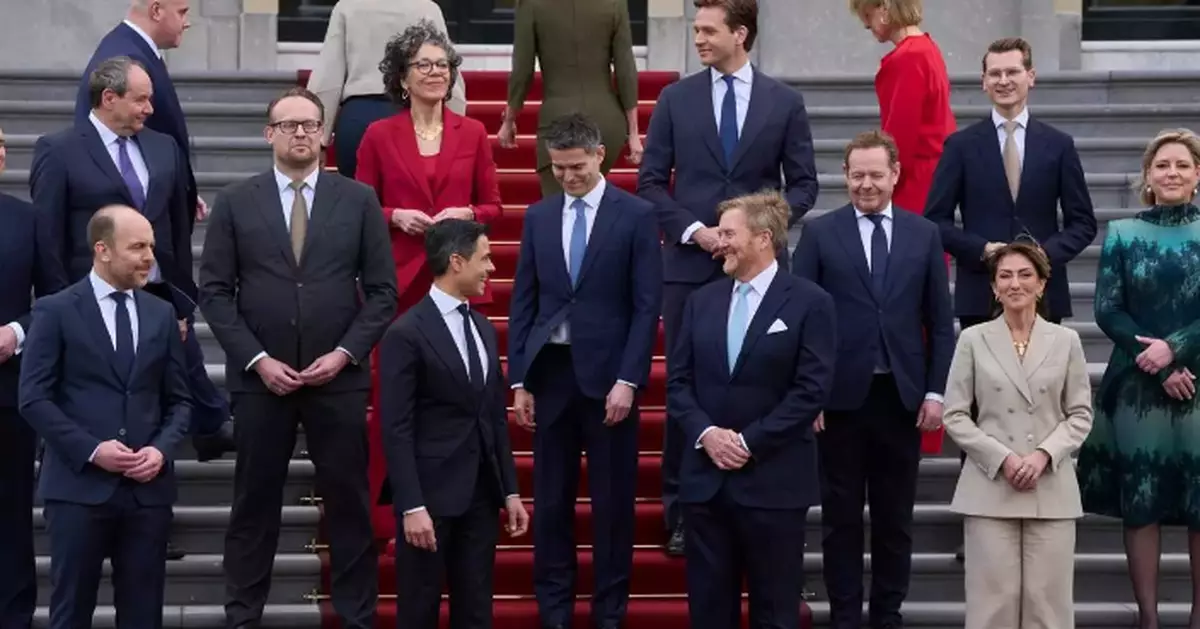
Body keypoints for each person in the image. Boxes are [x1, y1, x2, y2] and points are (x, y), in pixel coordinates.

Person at [198, 86, 398, 629]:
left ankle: (357, 616)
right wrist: (257, 359)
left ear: (325, 134)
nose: (301, 133)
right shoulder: (238, 201)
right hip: (262, 381)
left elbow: (382, 292)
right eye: (289, 125)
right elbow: (214, 291)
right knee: (253, 507)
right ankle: (243, 617)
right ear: (269, 134)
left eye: (310, 124)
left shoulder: (357, 201)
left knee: (350, 505)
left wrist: (345, 354)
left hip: (339, 378)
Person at [639, 0, 819, 555]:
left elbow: (804, 186)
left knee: (761, 381)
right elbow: (650, 183)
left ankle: (759, 496)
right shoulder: (675, 98)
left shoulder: (784, 102)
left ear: (740, 34)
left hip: (763, 270)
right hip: (692, 269)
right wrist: (697, 231)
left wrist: (757, 231)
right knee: (691, 385)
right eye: (695, 30)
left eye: (708, 30)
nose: (698, 39)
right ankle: (685, 511)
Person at [33, 57, 232, 477]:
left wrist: (180, 303)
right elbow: (48, 238)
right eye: (140, 99)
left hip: (154, 297)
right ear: (109, 98)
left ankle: (153, 509)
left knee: (156, 404)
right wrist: (60, 307)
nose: (150, 109)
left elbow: (176, 231)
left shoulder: (164, 148)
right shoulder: (59, 149)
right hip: (88, 302)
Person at [792, 130, 954, 629]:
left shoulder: (923, 233)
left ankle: (887, 615)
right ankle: (844, 616)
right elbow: (802, 318)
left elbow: (939, 320)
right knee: (840, 519)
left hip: (901, 399)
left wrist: (934, 390)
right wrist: (809, 393)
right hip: (838, 400)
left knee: (893, 520)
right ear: (845, 176)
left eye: (875, 174)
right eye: (857, 174)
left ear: (895, 174)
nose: (866, 184)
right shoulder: (820, 234)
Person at [507, 113, 662, 629]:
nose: (568, 177)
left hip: (610, 380)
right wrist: (519, 378)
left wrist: (629, 380)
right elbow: (525, 300)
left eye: (576, 167)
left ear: (599, 155)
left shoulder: (636, 216)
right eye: (558, 169)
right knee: (551, 502)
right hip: (551, 375)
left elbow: (646, 306)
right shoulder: (539, 216)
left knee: (612, 505)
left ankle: (608, 612)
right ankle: (555, 610)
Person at [19, 205, 193, 629]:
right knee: (71, 610)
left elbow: (180, 401)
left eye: (151, 246)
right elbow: (33, 398)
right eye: (137, 247)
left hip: (147, 494)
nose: (149, 257)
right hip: (78, 490)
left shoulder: (161, 313)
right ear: (103, 250)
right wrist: (93, 450)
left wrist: (160, 449)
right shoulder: (55, 310)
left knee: (143, 613)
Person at [669, 190, 834, 629]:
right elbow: (678, 384)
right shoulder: (700, 302)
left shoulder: (810, 302)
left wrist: (747, 442)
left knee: (776, 612)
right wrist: (708, 435)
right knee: (708, 613)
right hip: (706, 485)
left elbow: (810, 391)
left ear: (763, 238)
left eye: (728, 233)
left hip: (774, 485)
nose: (718, 242)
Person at [378, 219, 530, 629]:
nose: (492, 269)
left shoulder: (481, 327)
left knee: (477, 608)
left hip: (479, 495)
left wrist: (510, 491)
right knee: (419, 609)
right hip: (428, 499)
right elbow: (395, 426)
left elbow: (493, 417)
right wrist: (411, 505)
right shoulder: (405, 333)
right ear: (456, 261)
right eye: (485, 259)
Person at [1078, 128, 1200, 629]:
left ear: (1197, 175)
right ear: (1147, 177)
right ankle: (1147, 619)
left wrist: (1177, 348)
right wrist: (1160, 360)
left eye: (1183, 165)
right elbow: (1107, 309)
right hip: (1137, 384)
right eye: (1162, 165)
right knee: (1142, 497)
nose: (1172, 173)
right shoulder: (1124, 233)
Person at [943, 242, 1093, 629]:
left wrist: (1043, 454)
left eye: (1025, 275)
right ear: (993, 287)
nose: (1015, 284)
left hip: (1050, 486)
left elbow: (1079, 414)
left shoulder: (1067, 341)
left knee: (1049, 606)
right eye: (1005, 276)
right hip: (991, 486)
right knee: (992, 605)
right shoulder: (973, 340)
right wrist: (1003, 458)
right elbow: (955, 415)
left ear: (1043, 284)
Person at [925, 37, 1096, 329]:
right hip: (980, 294)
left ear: (1030, 76)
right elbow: (935, 221)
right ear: (984, 81)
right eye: (995, 74)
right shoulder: (960, 146)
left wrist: (1041, 255)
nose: (1003, 81)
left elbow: (1083, 223)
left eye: (1012, 72)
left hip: (1043, 294)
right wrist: (982, 250)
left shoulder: (1059, 145)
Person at [356, 21, 502, 315]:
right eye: (423, 65)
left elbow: (494, 207)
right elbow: (360, 207)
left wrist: (469, 213)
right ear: (402, 79)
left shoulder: (473, 132)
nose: (435, 72)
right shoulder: (378, 134)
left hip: (459, 270)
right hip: (401, 275)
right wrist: (396, 216)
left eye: (442, 65)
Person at [0, 124, 62, 629]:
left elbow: (55, 300)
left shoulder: (27, 219)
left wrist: (17, 332)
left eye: (0, 146)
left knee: (11, 515)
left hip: (8, 394)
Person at [305, 0, 467, 178]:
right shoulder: (426, 7)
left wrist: (317, 139)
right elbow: (447, 71)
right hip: (411, 115)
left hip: (358, 117)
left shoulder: (347, 6)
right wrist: (457, 130)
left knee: (355, 200)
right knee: (409, 200)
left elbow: (329, 75)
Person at [75, 0, 203, 223]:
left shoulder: (133, 49)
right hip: (132, 227)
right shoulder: (127, 58)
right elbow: (119, 147)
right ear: (156, 11)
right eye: (182, 13)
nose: (187, 23)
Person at [498, 0, 642, 195]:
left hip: (558, 120)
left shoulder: (531, 4)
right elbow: (625, 69)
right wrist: (633, 133)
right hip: (607, 121)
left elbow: (522, 72)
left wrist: (509, 120)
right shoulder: (614, 3)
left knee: (558, 212)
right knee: (591, 204)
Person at [849, 0, 955, 217]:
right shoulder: (927, 48)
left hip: (912, 180)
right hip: (933, 174)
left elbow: (900, 134)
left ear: (884, 9)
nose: (866, 25)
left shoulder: (907, 57)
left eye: (868, 16)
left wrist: (883, 178)